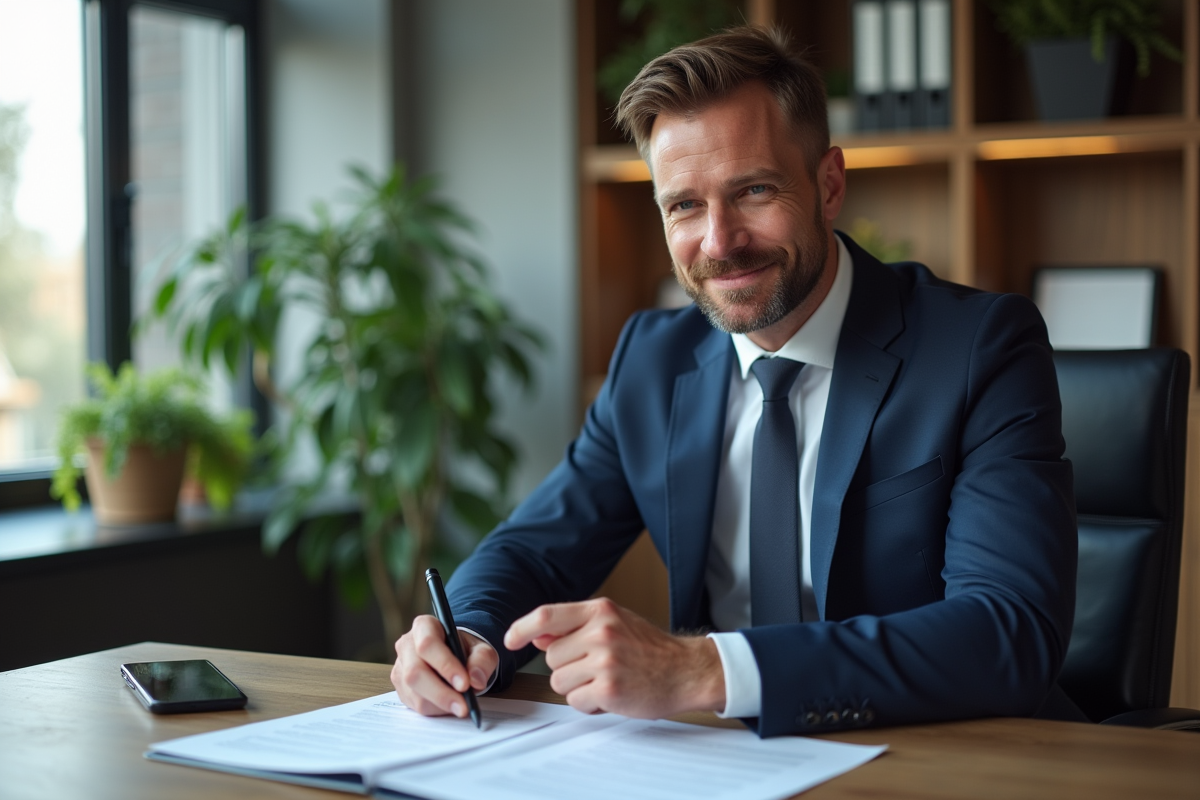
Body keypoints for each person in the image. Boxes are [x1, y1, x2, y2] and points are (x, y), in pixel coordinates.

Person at [390, 25, 1078, 737]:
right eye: (684, 205)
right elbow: (535, 548)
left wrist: (707, 670)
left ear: (829, 185)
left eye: (753, 190)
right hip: (720, 762)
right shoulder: (652, 359)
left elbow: (1010, 631)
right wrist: (467, 634)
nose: (719, 241)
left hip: (933, 754)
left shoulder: (979, 349)